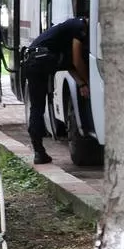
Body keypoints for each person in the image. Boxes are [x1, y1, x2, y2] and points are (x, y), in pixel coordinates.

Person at [24, 16, 90, 165]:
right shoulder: (79, 27)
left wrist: (81, 84)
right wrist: (88, 82)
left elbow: (68, 63)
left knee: (37, 107)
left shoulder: (69, 29)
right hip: (40, 60)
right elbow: (77, 61)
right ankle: (39, 151)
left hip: (33, 60)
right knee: (38, 108)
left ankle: (38, 151)